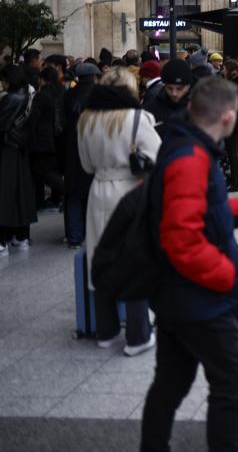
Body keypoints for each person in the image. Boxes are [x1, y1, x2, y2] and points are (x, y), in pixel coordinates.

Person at [140, 77, 238, 452]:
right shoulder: (191, 159)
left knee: (170, 384)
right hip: (199, 296)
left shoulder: (186, 147)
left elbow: (207, 211)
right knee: (232, 382)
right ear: (228, 116)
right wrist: (228, 277)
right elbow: (183, 238)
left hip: (175, 292)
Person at [78, 66, 160, 354]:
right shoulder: (137, 118)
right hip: (129, 192)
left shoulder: (86, 120)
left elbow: (86, 165)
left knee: (100, 259)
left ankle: (107, 331)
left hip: (98, 191)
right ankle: (138, 336)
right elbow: (158, 157)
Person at [63, 63, 102, 250]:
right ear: (94, 77)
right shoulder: (99, 95)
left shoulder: (68, 94)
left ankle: (74, 236)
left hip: (71, 148)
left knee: (74, 194)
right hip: (93, 148)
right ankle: (92, 233)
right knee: (92, 191)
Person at [0, 65, 37, 254]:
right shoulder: (30, 96)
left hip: (7, 151)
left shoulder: (10, 99)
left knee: (5, 194)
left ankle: (2, 240)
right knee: (22, 192)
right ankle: (21, 236)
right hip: (22, 150)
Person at [29, 65, 65, 211]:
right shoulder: (61, 91)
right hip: (57, 137)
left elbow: (33, 119)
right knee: (50, 170)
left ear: (42, 80)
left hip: (42, 140)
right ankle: (57, 197)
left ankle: (64, 192)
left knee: (43, 172)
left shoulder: (42, 96)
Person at [144, 59, 192, 138]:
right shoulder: (150, 110)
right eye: (169, 88)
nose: (174, 93)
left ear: (188, 86)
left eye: (179, 89)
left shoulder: (198, 109)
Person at [223, 60, 238, 192]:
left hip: (232, 120)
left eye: (224, 68)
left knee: (232, 151)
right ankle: (235, 180)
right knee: (234, 151)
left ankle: (234, 182)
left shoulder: (231, 84)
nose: (222, 70)